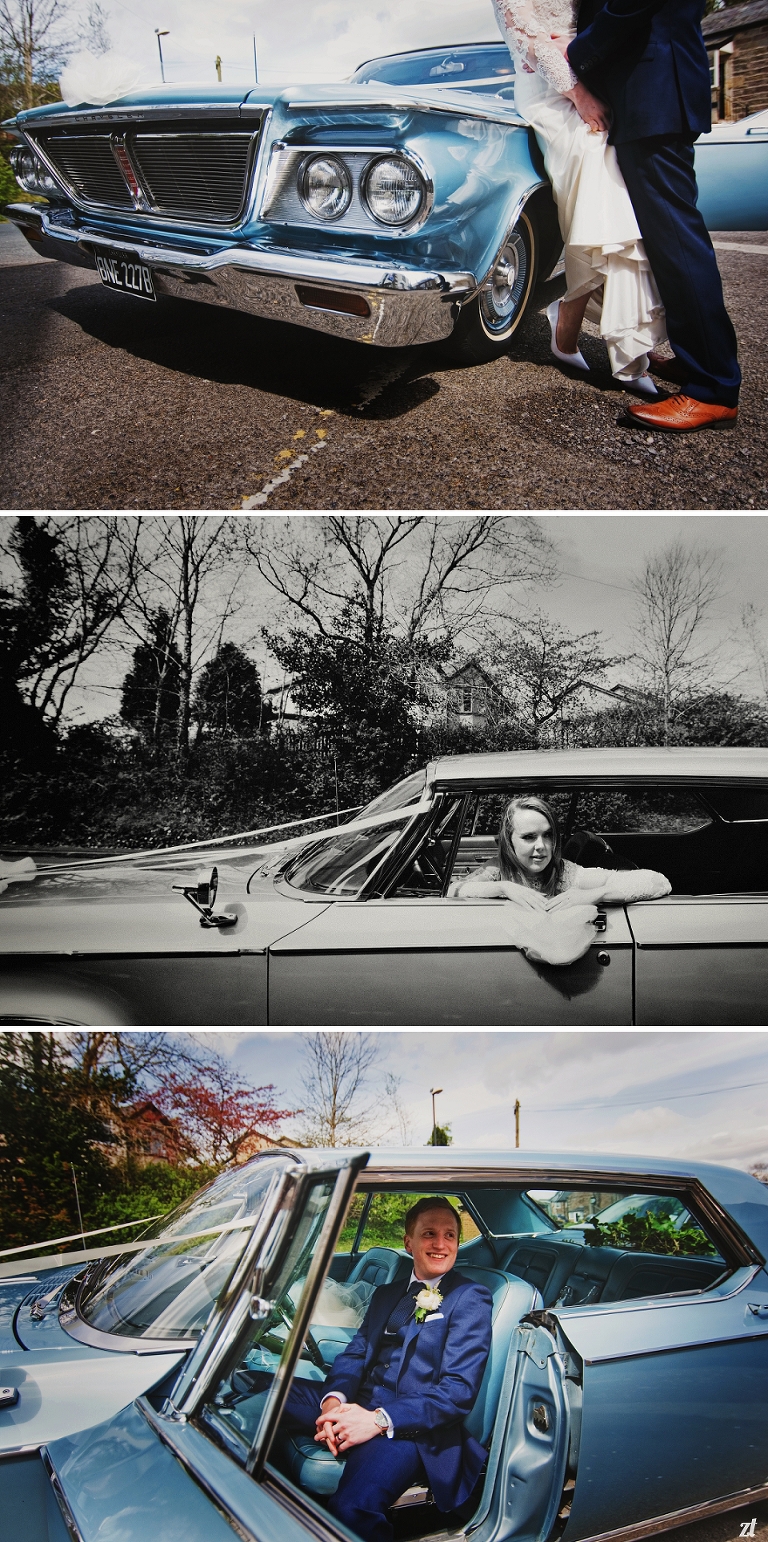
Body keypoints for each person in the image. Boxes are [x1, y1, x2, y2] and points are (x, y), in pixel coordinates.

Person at [556, 0, 741, 433]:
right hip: (653, 89)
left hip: (652, 89)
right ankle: (705, 366)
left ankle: (713, 389)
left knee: (677, 243)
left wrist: (578, 52)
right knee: (669, 243)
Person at [279, 1198, 493, 1542]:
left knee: (351, 1510)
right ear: (409, 1242)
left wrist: (375, 1420)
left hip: (412, 1428)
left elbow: (456, 1392)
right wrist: (334, 1405)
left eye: (450, 1235)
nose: (441, 1244)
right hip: (357, 1401)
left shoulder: (470, 1298)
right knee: (255, 1390)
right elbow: (355, 1353)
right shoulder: (387, 1293)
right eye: (429, 1234)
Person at [491, 0, 666, 396]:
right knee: (598, 194)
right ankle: (583, 323)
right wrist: (581, 96)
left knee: (620, 207)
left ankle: (629, 336)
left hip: (595, 88)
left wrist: (577, 43)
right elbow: (533, 45)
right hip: (550, 96)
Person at [448, 794, 671, 907]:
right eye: (528, 837)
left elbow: (658, 881)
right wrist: (504, 888)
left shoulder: (566, 873)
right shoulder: (497, 870)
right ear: (509, 841)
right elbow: (452, 891)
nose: (541, 846)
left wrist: (595, 894)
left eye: (548, 835)